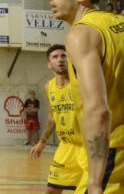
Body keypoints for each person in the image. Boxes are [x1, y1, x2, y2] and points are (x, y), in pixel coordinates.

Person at [48, 0, 124, 193]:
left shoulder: (81, 34)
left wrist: (94, 182)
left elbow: (98, 109)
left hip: (114, 153)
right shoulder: (118, 24)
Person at [30, 44, 83, 193]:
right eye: (55, 57)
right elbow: (53, 116)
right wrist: (42, 142)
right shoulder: (49, 87)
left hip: (86, 146)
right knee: (52, 190)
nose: (60, 59)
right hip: (66, 147)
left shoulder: (81, 81)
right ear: (49, 64)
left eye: (64, 56)